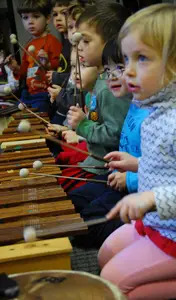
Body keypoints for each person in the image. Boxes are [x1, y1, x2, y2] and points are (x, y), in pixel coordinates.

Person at [98, 4, 176, 299]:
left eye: (141, 58)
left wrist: (151, 197)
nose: (127, 70)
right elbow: (174, 167)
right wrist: (138, 163)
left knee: (111, 284)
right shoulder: (158, 109)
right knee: (106, 255)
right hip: (158, 223)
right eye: (127, 58)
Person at [68, 39, 149, 248]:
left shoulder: (152, 117)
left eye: (119, 68)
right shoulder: (135, 104)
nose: (111, 76)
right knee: (72, 201)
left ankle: (142, 235)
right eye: (107, 69)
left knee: (87, 225)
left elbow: (165, 170)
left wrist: (129, 178)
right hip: (121, 178)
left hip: (139, 189)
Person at [58, 2, 131, 193]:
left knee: (71, 195)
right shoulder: (101, 80)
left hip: (105, 169)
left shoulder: (110, 86)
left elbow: (115, 134)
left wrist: (83, 125)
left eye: (86, 41)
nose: (79, 47)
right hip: (96, 163)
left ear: (110, 43)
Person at [6, 0, 62, 112]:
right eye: (25, 18)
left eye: (35, 17)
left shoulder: (52, 41)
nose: (30, 22)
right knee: (15, 109)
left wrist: (47, 64)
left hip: (46, 93)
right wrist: (15, 67)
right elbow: (24, 72)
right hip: (29, 93)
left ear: (47, 19)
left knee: (41, 109)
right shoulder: (27, 45)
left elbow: (60, 67)